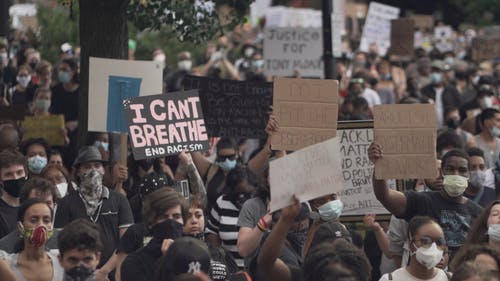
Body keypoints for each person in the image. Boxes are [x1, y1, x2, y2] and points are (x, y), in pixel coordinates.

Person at [369, 146, 483, 257]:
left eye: (462, 170)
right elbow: (384, 196)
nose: (456, 174)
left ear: (469, 175)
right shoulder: (421, 201)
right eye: (450, 169)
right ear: (441, 173)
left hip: (462, 274)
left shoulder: (478, 213)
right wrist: (379, 166)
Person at [55, 145, 134, 280]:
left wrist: (104, 271)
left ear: (103, 170)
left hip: (112, 275)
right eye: (87, 167)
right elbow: (60, 244)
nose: (93, 171)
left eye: (97, 166)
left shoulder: (120, 200)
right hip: (77, 273)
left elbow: (127, 242)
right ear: (78, 172)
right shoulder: (66, 203)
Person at [115, 187, 184, 281]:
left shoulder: (194, 255)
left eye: (176, 216)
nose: (171, 222)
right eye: (164, 217)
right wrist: (167, 264)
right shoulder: (135, 263)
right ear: (151, 222)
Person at [206, 165, 258, 268]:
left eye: (247, 194)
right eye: (238, 194)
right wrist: (219, 263)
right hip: (231, 272)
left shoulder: (263, 203)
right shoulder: (222, 202)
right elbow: (212, 232)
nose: (242, 199)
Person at [2, 198, 64, 281]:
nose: (41, 225)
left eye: (46, 220)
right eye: (33, 220)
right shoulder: (7, 267)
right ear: (20, 227)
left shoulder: (63, 262)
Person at [379, 216, 450, 281]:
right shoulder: (390, 279)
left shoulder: (450, 278)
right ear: (410, 243)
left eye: (440, 242)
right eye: (426, 241)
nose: (433, 247)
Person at [0, 177, 60, 253]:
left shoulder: (65, 242)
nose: (42, 207)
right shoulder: (4, 247)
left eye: (47, 203)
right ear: (22, 205)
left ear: (54, 205)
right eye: (35, 202)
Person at [421, 60, 461, 127]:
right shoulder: (425, 90)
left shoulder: (452, 90)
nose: (434, 74)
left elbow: (459, 108)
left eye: (437, 72)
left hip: (448, 128)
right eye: (432, 72)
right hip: (429, 128)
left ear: (444, 74)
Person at [0, 149, 27, 239]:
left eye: (19, 172)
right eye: (8, 174)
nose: (15, 178)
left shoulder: (33, 204)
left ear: (26, 173)